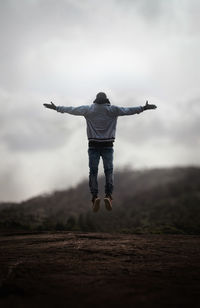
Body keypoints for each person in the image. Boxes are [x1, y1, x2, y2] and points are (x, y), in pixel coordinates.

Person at [43, 92, 157, 212]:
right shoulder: (113, 110)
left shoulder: (88, 109)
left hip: (93, 146)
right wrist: (143, 108)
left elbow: (72, 109)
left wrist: (56, 108)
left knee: (93, 172)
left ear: (96, 100)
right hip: (108, 146)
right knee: (109, 171)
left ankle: (94, 197)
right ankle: (108, 196)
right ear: (106, 100)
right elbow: (128, 110)